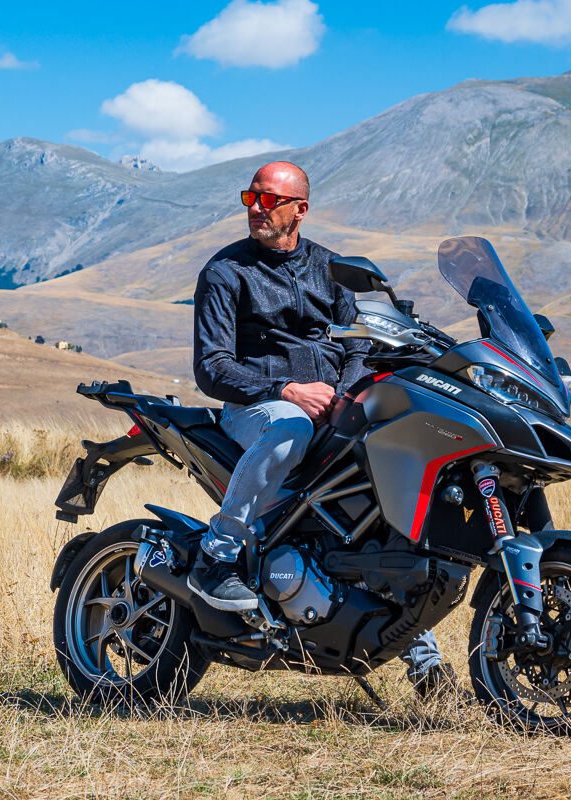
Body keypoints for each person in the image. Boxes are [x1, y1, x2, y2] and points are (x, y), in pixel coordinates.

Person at [188, 160, 447, 691]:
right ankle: (218, 553)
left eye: (269, 200)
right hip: (258, 408)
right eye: (251, 198)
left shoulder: (329, 268)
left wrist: (349, 393)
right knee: (290, 425)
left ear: (299, 210)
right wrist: (286, 390)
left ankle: (421, 657)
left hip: (331, 406)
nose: (256, 209)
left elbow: (355, 342)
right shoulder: (224, 272)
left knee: (392, 470)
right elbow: (212, 366)